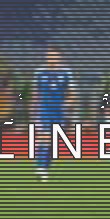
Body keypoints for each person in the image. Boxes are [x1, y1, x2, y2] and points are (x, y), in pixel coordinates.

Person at [31, 47, 75, 182]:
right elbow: (35, 94)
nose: (51, 59)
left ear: (60, 58)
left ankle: (44, 165)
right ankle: (42, 168)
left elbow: (72, 95)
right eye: (49, 56)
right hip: (44, 111)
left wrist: (66, 105)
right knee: (45, 138)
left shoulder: (66, 73)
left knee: (52, 141)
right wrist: (33, 111)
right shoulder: (39, 72)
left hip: (59, 113)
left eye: (54, 56)